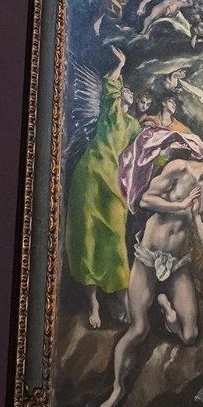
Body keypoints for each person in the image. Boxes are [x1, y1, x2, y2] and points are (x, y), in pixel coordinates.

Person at [96, 150, 203, 407]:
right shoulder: (180, 168)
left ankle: (166, 309)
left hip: (177, 264)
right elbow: (145, 199)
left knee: (189, 335)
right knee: (138, 328)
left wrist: (197, 220)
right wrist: (180, 206)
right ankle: (117, 389)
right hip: (148, 257)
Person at [64, 46, 142, 329]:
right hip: (90, 178)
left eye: (131, 92)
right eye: (125, 90)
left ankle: (124, 304)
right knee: (87, 239)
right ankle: (94, 304)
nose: (127, 93)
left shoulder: (134, 126)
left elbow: (144, 153)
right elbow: (110, 86)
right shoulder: (111, 112)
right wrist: (120, 65)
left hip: (114, 185)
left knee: (115, 242)